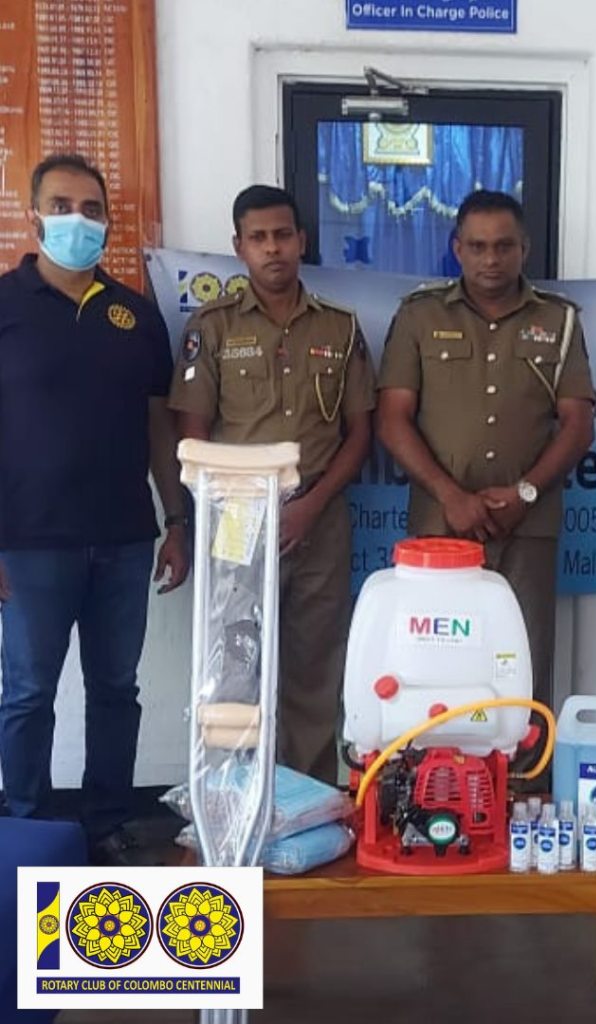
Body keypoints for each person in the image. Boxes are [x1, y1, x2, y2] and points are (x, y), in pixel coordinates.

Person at [0, 153, 190, 864]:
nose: (76, 220)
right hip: (27, 542)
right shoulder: (5, 305)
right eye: (61, 206)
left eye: (91, 208)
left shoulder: (134, 316)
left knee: (116, 689)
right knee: (28, 692)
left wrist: (177, 521)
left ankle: (106, 824)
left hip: (124, 539)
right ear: (33, 215)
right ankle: (26, 825)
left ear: (108, 219)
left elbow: (159, 428)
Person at [168, 184, 375, 785]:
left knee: (314, 668)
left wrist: (309, 507)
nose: (272, 248)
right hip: (236, 516)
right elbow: (191, 434)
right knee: (235, 667)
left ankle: (306, 799)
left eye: (282, 235)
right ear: (239, 247)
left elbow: (360, 435)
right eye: (257, 238)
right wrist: (229, 505)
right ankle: (234, 797)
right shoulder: (212, 326)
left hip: (320, 515)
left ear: (301, 240)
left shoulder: (340, 327)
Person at [375, 190, 595, 710]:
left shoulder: (559, 321)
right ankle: (439, 765)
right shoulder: (419, 316)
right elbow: (391, 419)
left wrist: (525, 493)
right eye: (477, 246)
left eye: (503, 246)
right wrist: (451, 496)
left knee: (522, 663)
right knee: (436, 665)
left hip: (527, 525)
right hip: (439, 527)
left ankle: (526, 766)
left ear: (524, 249)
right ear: (458, 249)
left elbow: (579, 425)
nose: (490, 259)